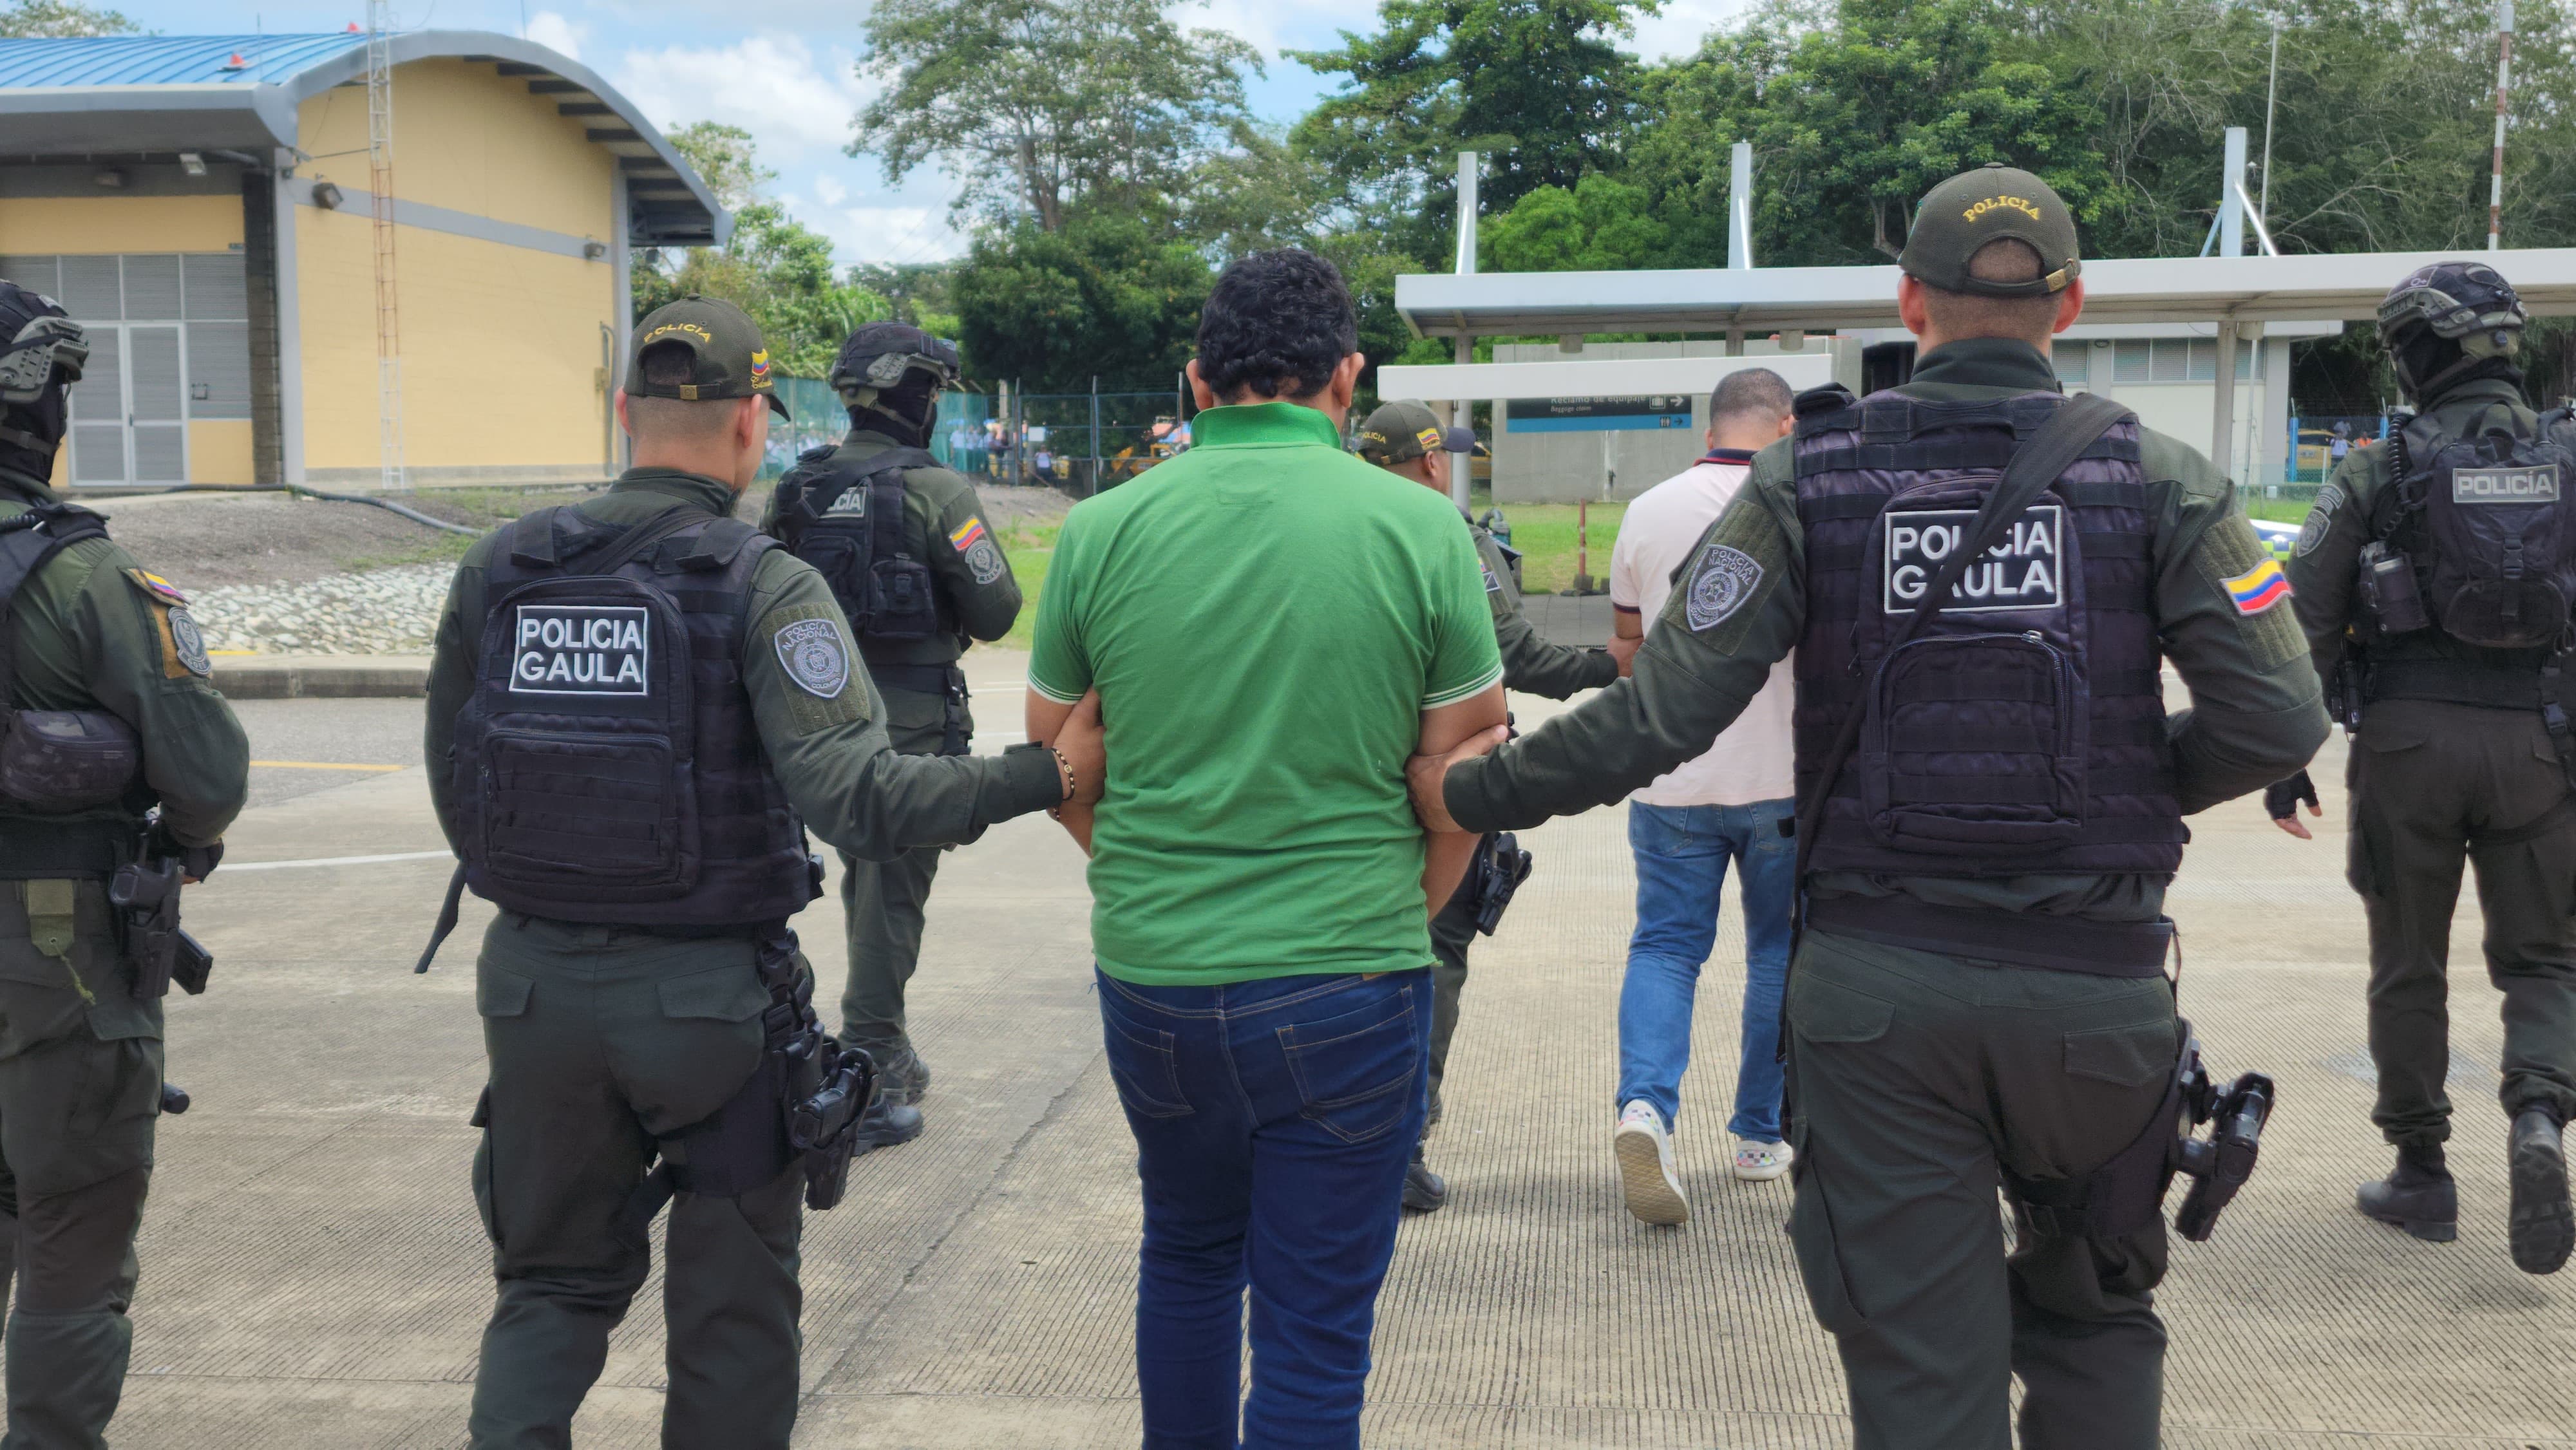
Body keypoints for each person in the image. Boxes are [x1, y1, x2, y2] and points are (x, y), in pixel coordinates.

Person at [1406, 165, 2328, 1450]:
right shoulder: (2164, 479)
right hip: (2093, 990)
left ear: (1908, 302)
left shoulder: (1804, 481)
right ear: (2070, 306)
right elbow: (2280, 719)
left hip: (1881, 1002)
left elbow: (1658, 715)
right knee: (2096, 1317)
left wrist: (1461, 791)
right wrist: (2107, 781)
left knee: (1920, 1370)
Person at [421, 296, 1098, 1449]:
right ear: (751, 425)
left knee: (547, 1289)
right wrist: (1050, 772)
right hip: (706, 1006)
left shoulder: (501, 566)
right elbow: (861, 798)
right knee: (732, 1315)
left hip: (530, 993)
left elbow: (457, 782)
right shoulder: (760, 580)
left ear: (624, 412)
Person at [1023, 251, 1506, 1447]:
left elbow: (1056, 763)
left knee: (1188, 1257)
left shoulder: (1101, 529)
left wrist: (1146, 874)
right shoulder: (1421, 526)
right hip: (1352, 971)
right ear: (1349, 377)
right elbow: (1464, 781)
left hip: (1157, 974)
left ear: (1197, 382)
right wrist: (1395, 911)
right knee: (1314, 1330)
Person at [2269, 259, 2576, 1276]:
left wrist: (2285, 755)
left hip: (2406, 749)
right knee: (2545, 960)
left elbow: (2306, 618)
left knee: (2410, 962)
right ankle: (2540, 1115)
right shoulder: (2571, 455)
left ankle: (2422, 1171)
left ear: (2415, 354)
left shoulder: (2378, 464)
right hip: (2542, 744)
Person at [0, 278, 249, 1446]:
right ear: (37, 407)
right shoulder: (87, 576)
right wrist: (184, 835)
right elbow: (206, 772)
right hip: (55, 952)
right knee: (74, 1225)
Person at [761, 324, 1024, 1151]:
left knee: (812, 890)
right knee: (886, 899)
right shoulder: (936, 490)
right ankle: (868, 1071)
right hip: (906, 733)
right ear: (919, 397)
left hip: (799, 731)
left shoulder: (795, 489)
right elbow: (997, 610)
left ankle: (874, 1050)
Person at [1355, 399, 1620, 1214]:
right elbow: (1519, 656)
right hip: (1438, 777)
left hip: (1345, 769)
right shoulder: (1447, 533)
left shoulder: (1339, 523)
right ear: (1434, 461)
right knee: (1432, 953)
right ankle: (1399, 1145)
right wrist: (1611, 664)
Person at [1600, 366, 1799, 1225]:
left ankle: (1645, 1109)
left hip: (1670, 776)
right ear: (1786, 427)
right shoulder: (1800, 507)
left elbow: (1627, 651)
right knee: (1778, 954)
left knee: (1665, 948)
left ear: (1709, 430)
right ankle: (1758, 1134)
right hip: (1782, 776)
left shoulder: (1648, 510)